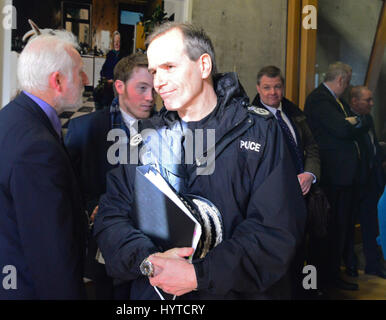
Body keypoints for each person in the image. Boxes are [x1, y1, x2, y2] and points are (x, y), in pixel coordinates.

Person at [93, 22, 307, 300]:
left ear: (204, 66)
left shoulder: (260, 132)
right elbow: (111, 216)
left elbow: (275, 231)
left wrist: (197, 275)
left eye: (169, 67)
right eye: (155, 71)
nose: (158, 82)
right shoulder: (145, 137)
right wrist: (149, 261)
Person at [0, 31, 89, 299]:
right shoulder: (36, 148)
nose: (86, 80)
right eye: (79, 72)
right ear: (57, 80)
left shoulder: (9, 118)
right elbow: (51, 256)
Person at [65, 52, 156, 299]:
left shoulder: (166, 128)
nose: (150, 97)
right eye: (142, 88)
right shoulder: (84, 130)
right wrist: (92, 207)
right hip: (104, 252)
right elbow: (67, 190)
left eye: (153, 88)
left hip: (153, 253)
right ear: (119, 87)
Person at [251, 65, 321, 298]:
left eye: (277, 87)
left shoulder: (294, 113)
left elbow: (311, 147)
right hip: (274, 205)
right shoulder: (250, 120)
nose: (273, 92)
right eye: (267, 87)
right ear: (258, 88)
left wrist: (309, 174)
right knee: (279, 260)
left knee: (302, 254)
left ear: (283, 87)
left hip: (303, 197)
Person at [304, 62, 370, 291]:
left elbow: (353, 123)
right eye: (348, 81)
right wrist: (354, 123)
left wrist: (353, 122)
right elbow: (342, 129)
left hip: (344, 178)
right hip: (331, 178)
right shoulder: (320, 99)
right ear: (341, 79)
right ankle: (316, 283)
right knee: (324, 232)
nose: (348, 86)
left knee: (339, 229)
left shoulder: (337, 102)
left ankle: (332, 276)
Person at [344, 86, 386, 279]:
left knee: (372, 227)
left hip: (371, 183)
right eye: (367, 100)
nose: (372, 103)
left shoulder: (368, 119)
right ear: (354, 101)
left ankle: (374, 265)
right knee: (348, 228)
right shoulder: (347, 121)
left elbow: (373, 148)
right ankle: (349, 266)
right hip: (354, 184)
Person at [96, 31, 124, 109]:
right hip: (108, 83)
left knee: (110, 100)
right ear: (112, 42)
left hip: (117, 83)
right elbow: (103, 69)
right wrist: (104, 78)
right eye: (115, 41)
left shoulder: (123, 55)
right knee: (99, 96)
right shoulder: (110, 54)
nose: (116, 44)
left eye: (118, 41)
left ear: (120, 42)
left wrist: (113, 80)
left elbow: (124, 72)